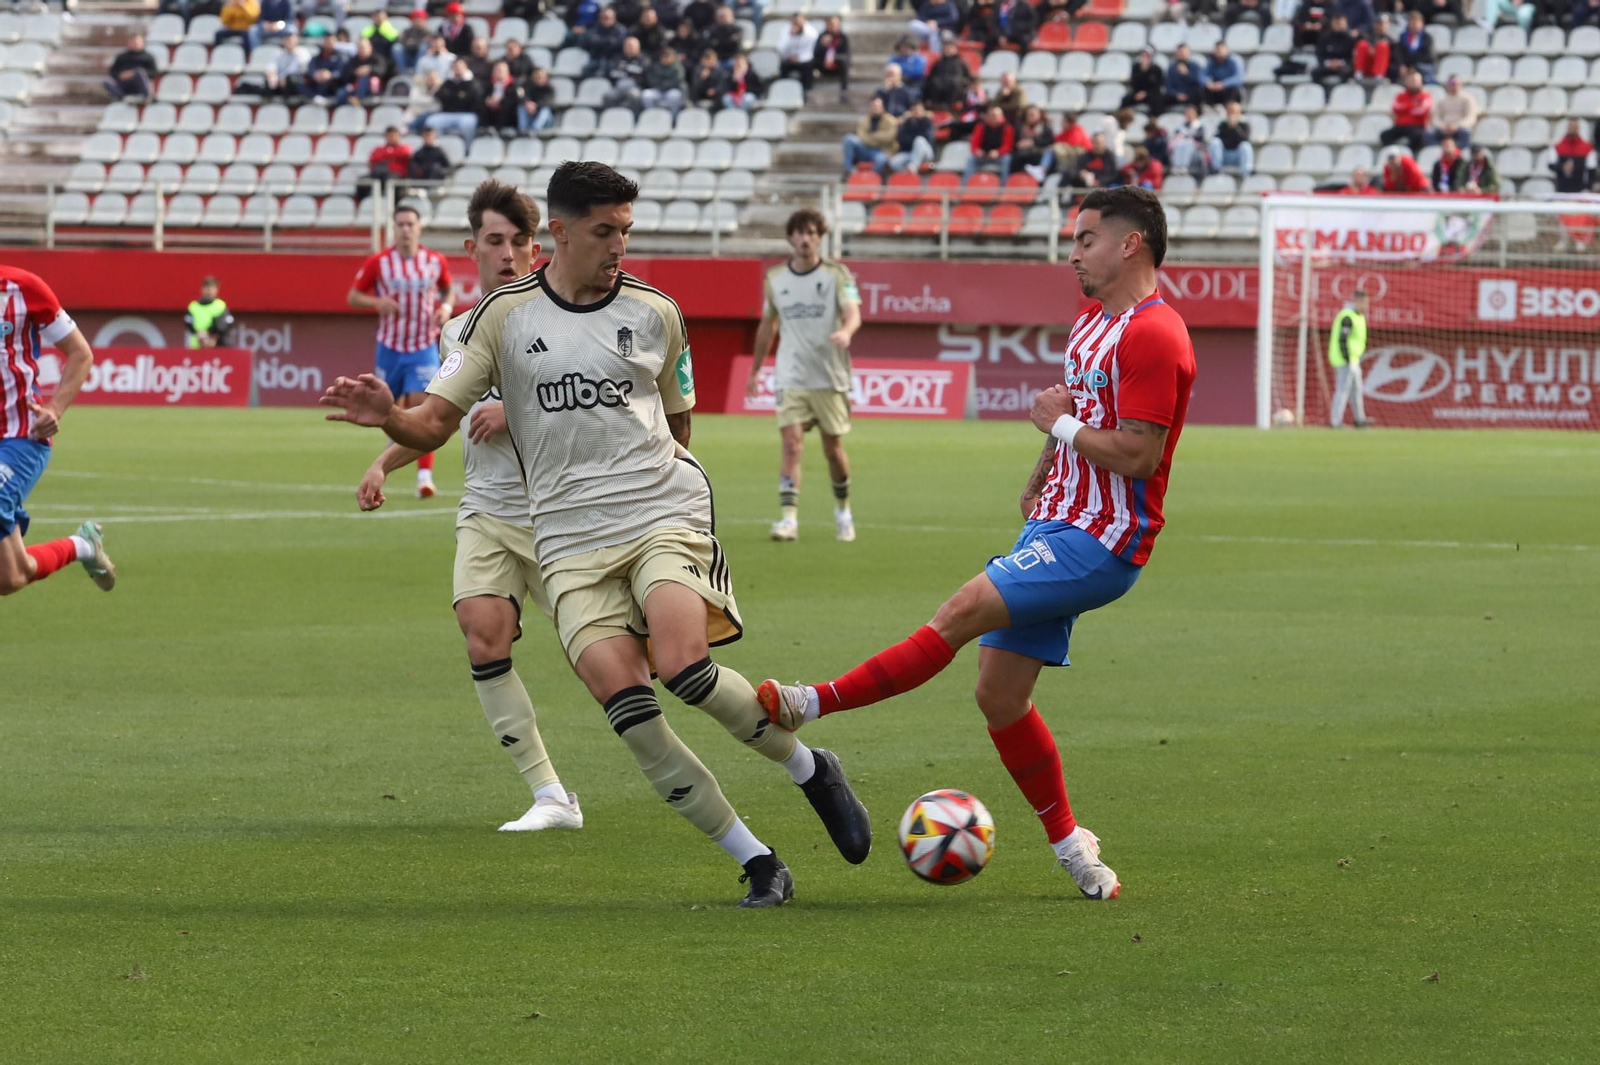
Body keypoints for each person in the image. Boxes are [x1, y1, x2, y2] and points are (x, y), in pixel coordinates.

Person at [322, 162, 874, 908]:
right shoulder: (501, 318)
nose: (619, 245)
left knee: (683, 665)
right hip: (569, 544)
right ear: (560, 232)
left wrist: (662, 481)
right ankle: (758, 860)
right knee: (631, 710)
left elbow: (680, 422)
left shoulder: (655, 311)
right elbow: (429, 424)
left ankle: (809, 767)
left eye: (627, 230)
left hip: (658, 516)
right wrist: (389, 415)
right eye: (604, 230)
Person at [757, 186, 1196, 903]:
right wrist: (1044, 468)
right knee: (998, 696)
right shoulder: (1092, 319)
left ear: (1130, 243)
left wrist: (1055, 431)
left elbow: (1140, 457)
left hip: (1102, 540)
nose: (1073, 251)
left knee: (961, 610)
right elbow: (1082, 412)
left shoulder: (1156, 334)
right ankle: (1073, 846)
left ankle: (811, 702)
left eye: (1085, 238)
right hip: (1056, 520)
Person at [356, 183, 584, 834]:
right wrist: (381, 459)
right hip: (488, 511)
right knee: (483, 633)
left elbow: (599, 399)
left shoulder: (566, 316)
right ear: (472, 248)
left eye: (520, 242)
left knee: (621, 665)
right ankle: (551, 795)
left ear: (537, 250)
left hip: (563, 514)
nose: (508, 254)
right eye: (495, 241)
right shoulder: (458, 330)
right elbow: (438, 417)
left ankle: (779, 745)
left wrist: (519, 407)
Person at [0, 266, 117, 598]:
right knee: (10, 577)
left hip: (20, 435)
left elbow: (81, 353)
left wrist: (54, 409)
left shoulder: (23, 289)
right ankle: (83, 545)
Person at [748, 209, 862, 544]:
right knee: (792, 445)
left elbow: (853, 311)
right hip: (790, 376)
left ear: (819, 237)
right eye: (799, 232)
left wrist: (846, 331)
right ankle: (788, 520)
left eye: (811, 232)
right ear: (790, 238)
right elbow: (768, 325)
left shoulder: (837, 275)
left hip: (829, 376)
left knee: (832, 448)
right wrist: (755, 370)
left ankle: (843, 511)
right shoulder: (775, 279)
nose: (805, 238)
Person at [347, 204, 456, 498]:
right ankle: (392, 452)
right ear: (393, 229)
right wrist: (376, 303)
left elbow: (449, 290)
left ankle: (424, 476)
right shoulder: (379, 262)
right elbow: (354, 296)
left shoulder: (434, 261)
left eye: (410, 224)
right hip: (390, 347)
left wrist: (445, 307)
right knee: (386, 410)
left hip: (422, 347)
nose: (406, 229)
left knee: (423, 409)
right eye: (400, 224)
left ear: (420, 228)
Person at [1328, 289, 1371, 428]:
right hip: (1344, 359)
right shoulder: (1347, 316)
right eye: (1364, 302)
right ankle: (1335, 421)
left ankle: (1359, 419)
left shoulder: (1359, 316)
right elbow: (1342, 339)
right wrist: (1346, 357)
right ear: (1357, 301)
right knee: (1342, 389)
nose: (1366, 306)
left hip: (1353, 359)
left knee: (1356, 389)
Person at [412, 57, 482, 142]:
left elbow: (472, 98)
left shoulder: (473, 82)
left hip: (467, 114)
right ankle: (438, 148)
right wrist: (458, 96)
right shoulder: (448, 82)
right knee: (432, 122)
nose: (458, 68)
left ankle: (467, 149)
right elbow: (440, 95)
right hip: (447, 113)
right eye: (455, 66)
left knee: (467, 124)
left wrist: (454, 97)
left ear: (466, 67)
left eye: (460, 66)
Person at [841, 97, 899, 174]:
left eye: (877, 106)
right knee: (848, 139)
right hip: (866, 149)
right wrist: (877, 139)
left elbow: (890, 137)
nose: (875, 108)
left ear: (883, 107)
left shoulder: (891, 121)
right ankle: (848, 171)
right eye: (873, 106)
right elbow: (861, 137)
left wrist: (872, 136)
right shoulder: (864, 120)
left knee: (881, 159)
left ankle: (871, 179)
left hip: (883, 151)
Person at [1379, 71, 1431, 155]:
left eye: (1416, 81)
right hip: (1400, 125)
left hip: (1417, 126)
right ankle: (1396, 153)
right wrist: (1413, 105)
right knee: (1384, 135)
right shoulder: (1401, 95)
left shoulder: (1425, 96)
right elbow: (1395, 107)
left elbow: (1422, 110)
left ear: (1421, 82)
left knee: (1418, 137)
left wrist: (1405, 108)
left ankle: (1409, 155)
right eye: (1411, 81)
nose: (1413, 83)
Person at [964, 104, 1015, 184]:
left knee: (1007, 159)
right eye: (991, 115)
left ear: (1001, 116)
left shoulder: (1007, 128)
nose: (993, 118)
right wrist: (977, 151)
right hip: (983, 156)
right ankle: (966, 187)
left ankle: (1003, 187)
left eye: (995, 116)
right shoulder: (980, 126)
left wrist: (998, 152)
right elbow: (974, 144)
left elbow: (1008, 146)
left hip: (999, 157)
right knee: (971, 159)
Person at [185, 276, 236, 349]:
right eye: (206, 288)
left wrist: (210, 335)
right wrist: (199, 334)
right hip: (197, 348)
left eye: (211, 288)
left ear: (216, 290)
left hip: (216, 347)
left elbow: (223, 325)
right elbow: (189, 324)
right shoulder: (193, 306)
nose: (209, 291)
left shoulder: (220, 305)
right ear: (202, 289)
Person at [104, 33, 159, 100]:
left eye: (136, 42)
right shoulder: (121, 57)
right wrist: (121, 75)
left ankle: (146, 96)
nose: (134, 44)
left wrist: (133, 73)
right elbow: (113, 72)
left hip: (140, 84)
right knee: (107, 81)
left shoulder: (148, 57)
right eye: (132, 42)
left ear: (142, 43)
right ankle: (122, 98)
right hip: (124, 84)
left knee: (139, 71)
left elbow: (153, 73)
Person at [920, 36, 969, 110]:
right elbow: (931, 76)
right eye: (946, 48)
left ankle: (948, 104)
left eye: (950, 48)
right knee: (934, 82)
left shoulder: (961, 63)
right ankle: (934, 103)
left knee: (955, 82)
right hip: (939, 90)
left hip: (954, 91)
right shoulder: (939, 62)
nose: (947, 50)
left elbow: (968, 77)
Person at [889, 98, 936, 173]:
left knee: (919, 140)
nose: (916, 112)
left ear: (923, 110)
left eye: (919, 109)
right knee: (894, 162)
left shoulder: (927, 122)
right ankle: (908, 176)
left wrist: (912, 139)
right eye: (914, 109)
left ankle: (913, 167)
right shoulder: (907, 123)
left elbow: (927, 139)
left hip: (925, 153)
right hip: (909, 152)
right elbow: (901, 140)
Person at [1208, 100, 1254, 176]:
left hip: (1238, 156)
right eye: (1230, 111)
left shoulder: (1245, 125)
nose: (1231, 114)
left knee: (1246, 146)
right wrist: (1228, 127)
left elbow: (1245, 139)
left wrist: (1235, 127)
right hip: (1224, 155)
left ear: (1239, 112)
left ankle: (1246, 172)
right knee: (1215, 142)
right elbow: (1217, 138)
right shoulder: (1222, 125)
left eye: (1233, 111)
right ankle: (1216, 170)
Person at [813, 16, 851, 103]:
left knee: (843, 62)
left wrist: (833, 58)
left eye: (834, 24)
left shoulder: (843, 37)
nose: (832, 27)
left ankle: (844, 91)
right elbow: (815, 54)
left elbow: (846, 55)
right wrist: (822, 45)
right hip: (824, 66)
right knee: (810, 63)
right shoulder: (822, 36)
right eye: (830, 24)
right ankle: (807, 89)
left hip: (837, 66)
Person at [641, 46, 689, 114]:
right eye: (664, 57)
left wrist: (663, 85)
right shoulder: (656, 67)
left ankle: (673, 117)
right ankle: (652, 115)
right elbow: (652, 80)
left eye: (667, 57)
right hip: (659, 91)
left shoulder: (678, 67)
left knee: (674, 95)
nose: (665, 59)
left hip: (672, 90)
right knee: (646, 94)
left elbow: (677, 81)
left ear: (673, 58)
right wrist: (660, 85)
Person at [1012, 105, 1054, 182]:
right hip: (1021, 155)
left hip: (1038, 155)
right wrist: (1019, 144)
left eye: (1032, 115)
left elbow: (1049, 141)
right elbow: (1014, 141)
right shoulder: (1020, 127)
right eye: (1028, 115)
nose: (1029, 117)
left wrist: (1033, 142)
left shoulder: (1045, 127)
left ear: (1039, 115)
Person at [777, 13, 818, 89]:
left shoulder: (811, 33)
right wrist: (790, 36)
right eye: (794, 22)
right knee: (783, 66)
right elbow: (781, 48)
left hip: (805, 59)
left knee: (808, 67)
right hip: (790, 58)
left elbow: (811, 52)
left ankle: (807, 90)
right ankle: (784, 88)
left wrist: (799, 58)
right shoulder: (786, 30)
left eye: (798, 22)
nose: (796, 25)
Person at [1313, 13, 1356, 84]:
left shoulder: (1350, 38)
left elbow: (1353, 56)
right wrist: (1329, 63)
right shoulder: (1325, 37)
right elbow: (1320, 53)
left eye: (1340, 23)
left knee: (1347, 73)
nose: (1338, 26)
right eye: (1336, 23)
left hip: (1344, 66)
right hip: (1328, 65)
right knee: (1315, 72)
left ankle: (1341, 93)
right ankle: (1324, 92)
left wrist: (1341, 63)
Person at [1168, 103, 1208, 175]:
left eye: (1191, 113)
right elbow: (1173, 141)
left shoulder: (1200, 127)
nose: (1189, 115)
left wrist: (1187, 137)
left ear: (1196, 114)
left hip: (1196, 155)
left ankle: (1184, 166)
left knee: (1188, 143)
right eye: (1187, 113)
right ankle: (1177, 167)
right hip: (1180, 153)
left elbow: (1200, 141)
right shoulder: (1180, 127)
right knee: (1179, 143)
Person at [1393, 11, 1432, 83]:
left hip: (1421, 65)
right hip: (1406, 65)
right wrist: (1402, 65)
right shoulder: (1403, 36)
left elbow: (1427, 55)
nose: (1414, 25)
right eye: (1411, 22)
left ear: (1422, 23)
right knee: (1393, 69)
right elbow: (1399, 53)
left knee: (1421, 69)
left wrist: (1414, 66)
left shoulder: (1426, 38)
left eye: (1416, 22)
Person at [1121, 47, 1164, 112]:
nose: (1145, 57)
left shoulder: (1157, 69)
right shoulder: (1136, 67)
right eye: (1143, 55)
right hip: (1137, 93)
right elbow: (1133, 83)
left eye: (1147, 56)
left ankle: (1153, 118)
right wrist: (1142, 71)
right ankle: (1122, 118)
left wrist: (1146, 93)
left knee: (1157, 101)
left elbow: (1158, 86)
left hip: (1151, 94)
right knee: (1125, 99)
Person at [1202, 42, 1243, 107]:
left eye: (1221, 49)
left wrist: (1223, 84)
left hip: (1228, 89)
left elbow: (1238, 78)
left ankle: (1229, 109)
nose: (1219, 52)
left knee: (1234, 89)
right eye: (1217, 50)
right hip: (1216, 89)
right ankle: (1210, 109)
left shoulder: (1235, 60)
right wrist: (1208, 83)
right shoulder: (1212, 61)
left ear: (1227, 50)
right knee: (1204, 89)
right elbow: (1203, 75)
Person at [1164, 43, 1202, 114]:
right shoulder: (1172, 68)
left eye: (1183, 52)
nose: (1181, 55)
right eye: (1179, 52)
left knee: (1199, 95)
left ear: (1189, 53)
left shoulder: (1195, 66)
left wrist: (1186, 74)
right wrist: (1177, 94)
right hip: (1175, 96)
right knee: (1160, 97)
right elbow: (1168, 86)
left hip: (1190, 96)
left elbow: (1198, 83)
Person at [1353, 13, 1391, 81]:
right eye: (1378, 23)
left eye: (1382, 24)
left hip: (1383, 68)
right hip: (1367, 65)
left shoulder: (1391, 40)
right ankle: (1358, 73)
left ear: (1388, 24)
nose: (1380, 26)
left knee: (1382, 46)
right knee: (1362, 44)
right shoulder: (1367, 36)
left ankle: (1378, 76)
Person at [520, 66, 556, 131]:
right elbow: (521, 95)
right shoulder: (528, 86)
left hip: (545, 121)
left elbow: (548, 102)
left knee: (545, 110)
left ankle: (535, 130)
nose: (538, 79)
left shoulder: (549, 88)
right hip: (530, 115)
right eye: (536, 77)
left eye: (540, 77)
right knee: (521, 107)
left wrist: (536, 105)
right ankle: (523, 129)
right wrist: (528, 104)